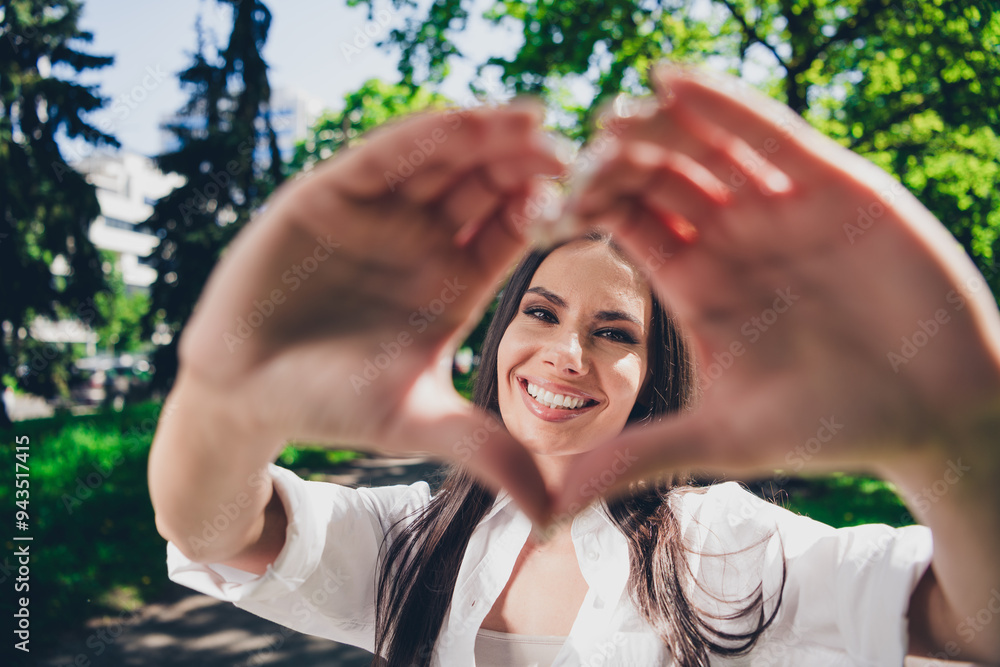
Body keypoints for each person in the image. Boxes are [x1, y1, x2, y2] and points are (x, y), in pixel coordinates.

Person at [148, 64, 1000, 666]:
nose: (566, 352)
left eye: (615, 331)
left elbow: (979, 625)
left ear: (655, 372)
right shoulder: (409, 537)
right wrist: (223, 401)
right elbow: (213, 529)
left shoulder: (733, 548)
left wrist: (962, 443)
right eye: (542, 313)